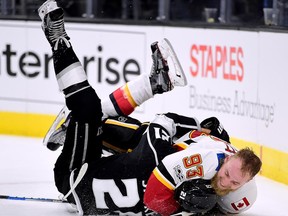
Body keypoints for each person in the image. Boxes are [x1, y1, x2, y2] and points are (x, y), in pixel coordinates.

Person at [38, 1, 262, 215]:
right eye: (228, 176)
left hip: (73, 177)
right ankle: (82, 123)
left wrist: (173, 134)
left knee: (90, 109)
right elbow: (209, 139)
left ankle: (57, 39)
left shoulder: (191, 174)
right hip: (103, 168)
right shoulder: (205, 179)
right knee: (137, 132)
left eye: (232, 184)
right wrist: (205, 131)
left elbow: (156, 169)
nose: (225, 182)